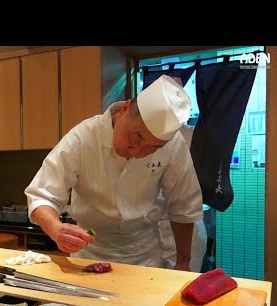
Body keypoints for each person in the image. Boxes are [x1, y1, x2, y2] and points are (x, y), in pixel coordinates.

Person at [25, 75, 204, 271]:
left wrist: (183, 263)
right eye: (136, 136)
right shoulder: (84, 137)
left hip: (145, 255)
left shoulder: (174, 145)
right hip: (89, 250)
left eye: (152, 148)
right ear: (125, 109)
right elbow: (41, 195)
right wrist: (55, 228)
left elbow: (184, 206)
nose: (137, 152)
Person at [159, 124, 208, 272]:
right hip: (150, 232)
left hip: (187, 232)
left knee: (181, 288)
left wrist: (184, 260)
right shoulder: (142, 133)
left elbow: (187, 202)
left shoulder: (194, 134)